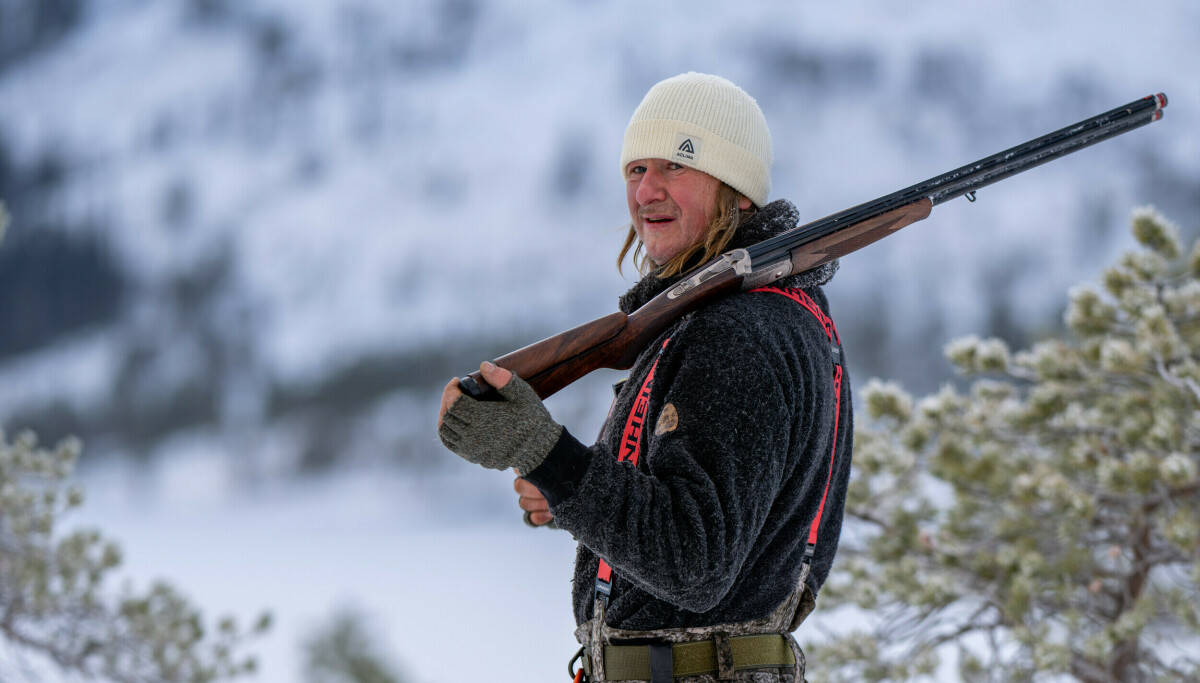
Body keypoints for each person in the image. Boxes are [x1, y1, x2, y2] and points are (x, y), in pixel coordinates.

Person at [438, 72, 852, 683]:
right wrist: (569, 492)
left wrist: (543, 453)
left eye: (677, 166)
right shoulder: (755, 317)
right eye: (636, 169)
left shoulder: (739, 333)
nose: (648, 191)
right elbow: (699, 526)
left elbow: (695, 562)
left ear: (738, 191)